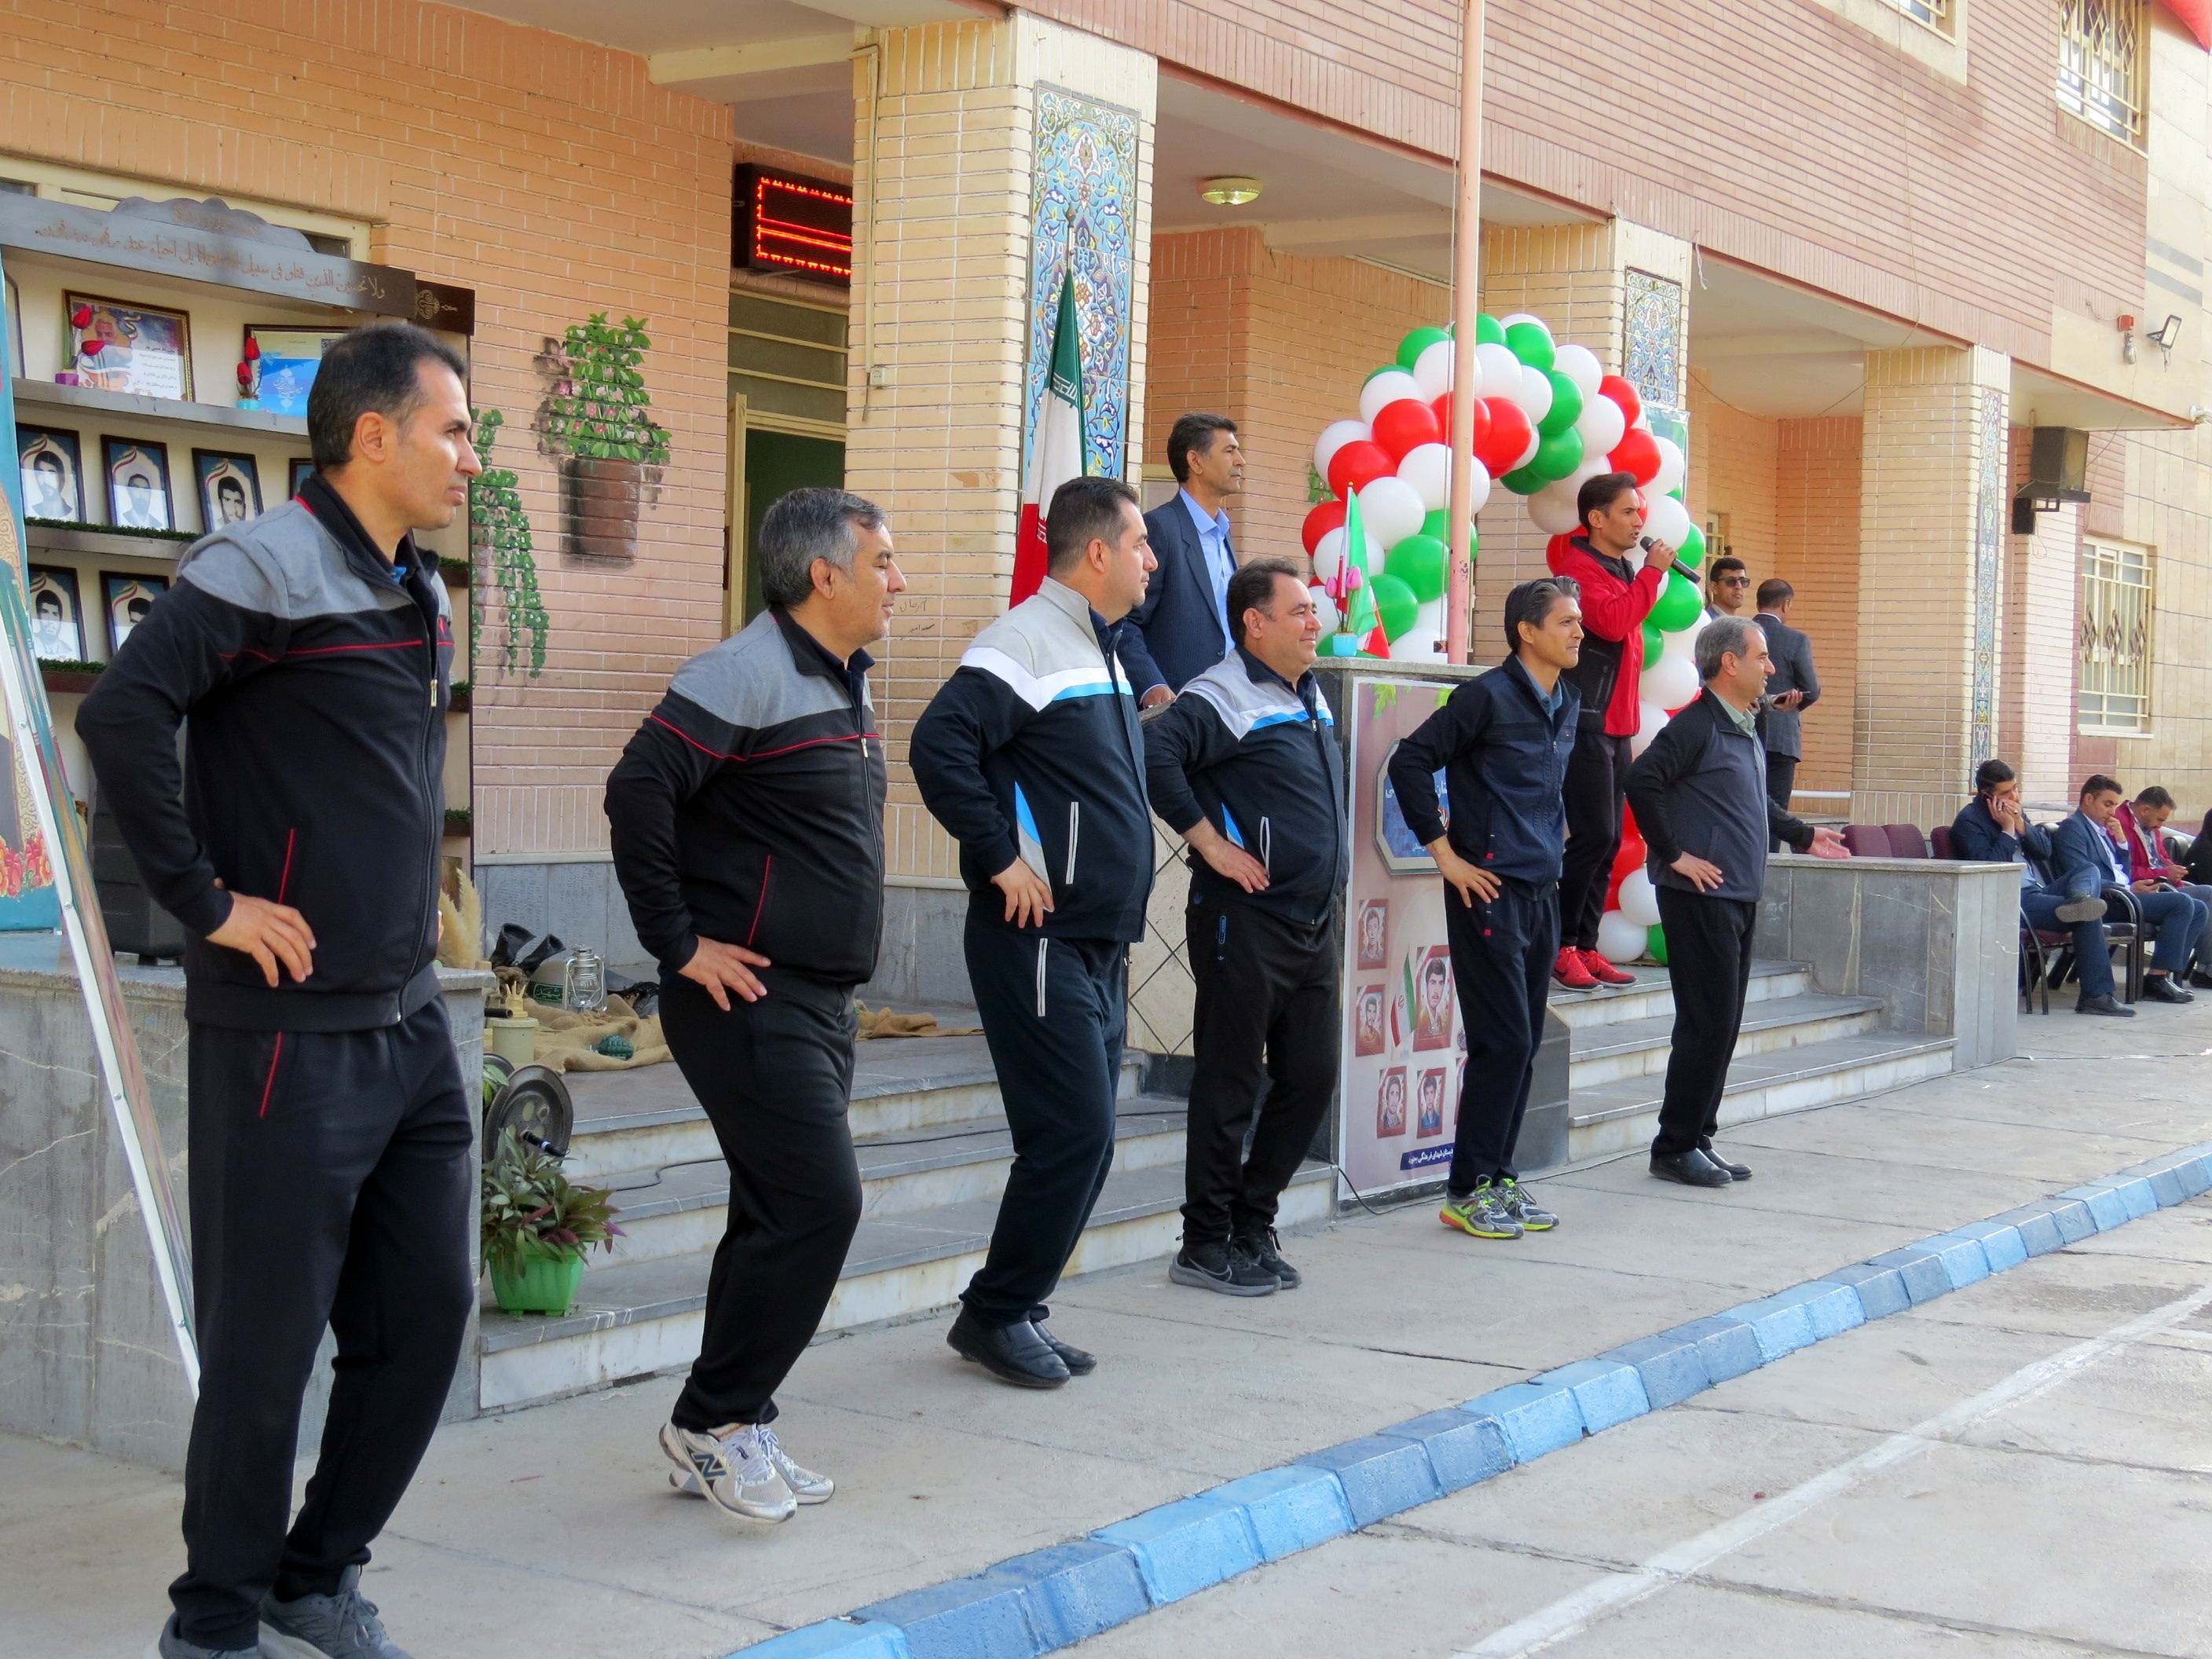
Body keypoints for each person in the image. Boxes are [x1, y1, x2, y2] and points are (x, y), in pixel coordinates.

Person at [78, 320, 478, 1659]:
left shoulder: (414, 584)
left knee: (426, 1316)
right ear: (375, 435)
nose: (469, 457)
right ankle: (215, 1619)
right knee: (267, 1344)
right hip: (285, 1033)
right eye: (455, 430)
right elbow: (121, 715)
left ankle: (318, 1571)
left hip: (408, 1020)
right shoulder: (259, 567)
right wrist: (205, 902)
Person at [605, 488, 901, 1526]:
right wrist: (678, 944)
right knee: (822, 1204)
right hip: (748, 997)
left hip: (820, 1001)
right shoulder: (742, 671)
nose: (897, 580)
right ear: (825, 575)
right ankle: (715, 1421)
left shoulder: (847, 680)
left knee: (773, 1212)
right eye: (883, 561)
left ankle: (727, 1425)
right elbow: (637, 789)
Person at [910, 474, 1156, 1387]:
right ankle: (997, 1312)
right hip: (1038, 938)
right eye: (1138, 544)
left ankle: (1014, 1306)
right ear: (1096, 552)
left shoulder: (1101, 647)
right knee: (1071, 1135)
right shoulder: (1022, 639)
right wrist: (998, 857)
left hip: (1096, 941)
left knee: (1087, 1142)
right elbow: (937, 745)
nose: (1150, 559)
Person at [1144, 558, 1346, 1296]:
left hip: (1312, 923)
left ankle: (1252, 1225)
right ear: (1254, 623)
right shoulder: (1218, 695)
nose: (1313, 621)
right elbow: (1156, 756)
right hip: (1245, 920)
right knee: (1230, 1083)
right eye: (1297, 611)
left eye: (1312, 610)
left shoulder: (1308, 693)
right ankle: (1203, 1242)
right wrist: (1211, 843)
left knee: (1312, 1076)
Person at [1623, 615, 1851, 1188]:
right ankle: (1674, 1145)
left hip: (1737, 894)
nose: (1772, 668)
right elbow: (1641, 782)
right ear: (1730, 662)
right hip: (1700, 896)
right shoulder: (1696, 725)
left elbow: (1753, 801)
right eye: (1762, 657)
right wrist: (1673, 853)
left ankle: (1700, 1137)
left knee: (1724, 1023)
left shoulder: (1743, 726)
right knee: (1705, 1023)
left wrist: (1803, 834)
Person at [1390, 577, 1584, 1237]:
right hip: (1489, 890)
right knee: (1503, 1041)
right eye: (1565, 622)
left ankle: (1500, 1178)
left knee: (1523, 1045)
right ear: (1528, 631)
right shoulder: (1485, 698)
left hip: (1540, 890)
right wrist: (1445, 855)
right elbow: (1410, 761)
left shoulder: (1567, 701)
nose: (1578, 632)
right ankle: (1467, 1188)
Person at [1549, 471, 1672, 992]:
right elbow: (1614, 623)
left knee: (1610, 838)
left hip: (1618, 727)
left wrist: (1641, 575)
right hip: (1587, 722)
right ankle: (1560, 946)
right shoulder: (1578, 570)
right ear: (1596, 518)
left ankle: (1586, 944)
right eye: (1628, 512)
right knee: (1593, 835)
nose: (1639, 521)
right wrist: (1650, 576)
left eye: (1640, 511)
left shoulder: (1619, 566)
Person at [1950, 760, 2131, 1018]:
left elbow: (2045, 850)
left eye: (2015, 789)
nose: (2014, 797)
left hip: (2038, 891)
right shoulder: (1969, 821)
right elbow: (1990, 866)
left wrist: (2022, 826)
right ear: (1986, 794)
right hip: (2011, 898)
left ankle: (2080, 898)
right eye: (2005, 793)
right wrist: (2007, 830)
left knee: (2087, 871)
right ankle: (2096, 996)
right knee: (2086, 915)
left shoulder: (2015, 811)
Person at [1120, 412, 1244, 703]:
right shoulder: (1160, 528)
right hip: (1178, 708)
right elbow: (1125, 620)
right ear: (1196, 461)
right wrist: (1152, 685)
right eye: (1229, 451)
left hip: (1228, 703)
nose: (1240, 461)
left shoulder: (1223, 531)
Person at [2054, 776, 2206, 1005]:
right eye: (2107, 804)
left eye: (2115, 805)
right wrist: (2128, 888)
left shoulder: (2103, 830)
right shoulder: (2073, 829)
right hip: (2105, 899)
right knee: (2182, 903)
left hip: (2125, 894)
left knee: (2199, 907)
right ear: (2088, 799)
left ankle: (2166, 975)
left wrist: (2123, 844)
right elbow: (2080, 876)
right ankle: (2157, 979)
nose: (2113, 811)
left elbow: (2120, 870)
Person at [2115, 787, 2212, 984]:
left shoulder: (2151, 827)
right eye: (2160, 819)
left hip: (2162, 886)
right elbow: (2124, 869)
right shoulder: (2119, 824)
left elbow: (2162, 859)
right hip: (2139, 889)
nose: (2162, 825)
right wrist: (2164, 874)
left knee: (2200, 902)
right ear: (2145, 810)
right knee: (2203, 896)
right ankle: (2202, 970)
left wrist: (2174, 872)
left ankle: (2173, 974)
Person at [1750, 578, 1818, 817]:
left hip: (1742, 734)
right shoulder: (1796, 640)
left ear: (1758, 602)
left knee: (1744, 807)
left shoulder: (1739, 632)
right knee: (1776, 812)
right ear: (1786, 604)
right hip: (1782, 739)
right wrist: (1790, 706)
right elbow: (1812, 689)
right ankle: (1772, 855)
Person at [1704, 555, 1749, 620]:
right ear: (1714, 587)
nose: (1739, 587)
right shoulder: (1704, 622)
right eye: (1731, 581)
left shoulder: (1741, 626)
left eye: (1743, 581)